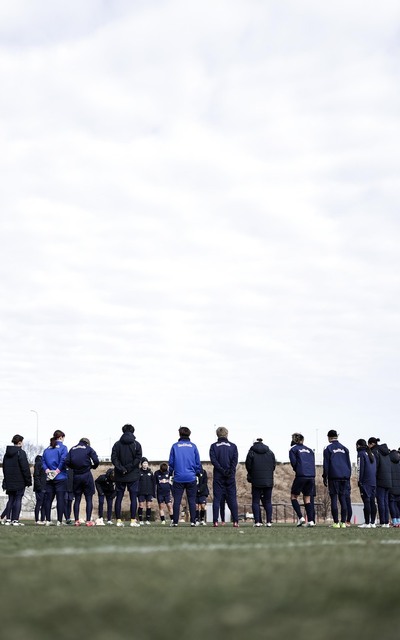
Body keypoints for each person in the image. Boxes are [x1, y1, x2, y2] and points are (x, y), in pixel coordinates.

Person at [168, 426, 201, 527]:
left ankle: (175, 522)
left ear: (179, 434)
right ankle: (193, 521)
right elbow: (197, 462)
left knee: (177, 500)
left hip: (178, 477)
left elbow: (171, 462)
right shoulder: (193, 446)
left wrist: (170, 473)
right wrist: (197, 473)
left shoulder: (175, 446)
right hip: (191, 477)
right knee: (192, 500)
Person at [111, 424, 142, 527]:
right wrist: (128, 468)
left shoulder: (116, 444)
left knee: (119, 498)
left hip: (120, 475)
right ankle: (133, 520)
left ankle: (118, 521)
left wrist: (122, 468)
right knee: (133, 498)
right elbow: (138, 459)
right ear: (133, 431)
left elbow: (114, 458)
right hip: (133, 475)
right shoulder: (137, 444)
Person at [209, 426, 239, 528]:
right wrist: (230, 471)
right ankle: (235, 521)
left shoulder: (213, 446)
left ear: (217, 434)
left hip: (218, 475)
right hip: (230, 476)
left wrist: (221, 470)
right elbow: (235, 461)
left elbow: (213, 461)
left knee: (217, 498)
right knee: (232, 498)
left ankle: (215, 521)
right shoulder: (233, 446)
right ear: (227, 434)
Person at [66, 437, 99, 526]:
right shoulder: (88, 448)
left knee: (77, 499)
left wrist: (74, 467)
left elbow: (67, 461)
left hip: (76, 476)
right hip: (86, 475)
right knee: (89, 498)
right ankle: (88, 521)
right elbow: (96, 460)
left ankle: (76, 520)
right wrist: (93, 466)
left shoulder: (72, 449)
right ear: (87, 443)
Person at [323, 429, 352, 529]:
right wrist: (348, 476)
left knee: (334, 498)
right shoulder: (345, 449)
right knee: (343, 498)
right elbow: (349, 464)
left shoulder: (328, 448)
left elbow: (326, 464)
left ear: (329, 437)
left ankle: (336, 522)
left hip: (334, 476)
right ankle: (343, 522)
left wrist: (325, 476)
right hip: (345, 477)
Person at [2, 434, 32, 526]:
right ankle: (15, 520)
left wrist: (6, 480)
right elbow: (25, 468)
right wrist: (28, 480)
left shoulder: (6, 454)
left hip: (9, 481)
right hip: (20, 481)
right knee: (18, 499)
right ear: (20, 442)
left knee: (10, 499)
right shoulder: (21, 453)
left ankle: (8, 519)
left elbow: (4, 468)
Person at [245, 437, 276, 527]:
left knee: (255, 501)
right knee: (268, 501)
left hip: (256, 480)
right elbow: (273, 466)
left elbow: (248, 465)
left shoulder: (251, 452)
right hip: (268, 480)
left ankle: (257, 522)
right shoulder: (270, 452)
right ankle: (269, 522)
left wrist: (251, 474)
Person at [289, 433, 316, 527]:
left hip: (301, 475)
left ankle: (301, 517)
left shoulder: (293, 449)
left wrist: (298, 470)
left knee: (293, 496)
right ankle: (311, 520)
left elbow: (293, 463)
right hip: (311, 476)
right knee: (307, 498)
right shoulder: (310, 450)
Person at [42, 430, 68, 525]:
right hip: (60, 477)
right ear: (61, 437)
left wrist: (47, 470)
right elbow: (63, 460)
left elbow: (43, 461)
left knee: (48, 499)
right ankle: (59, 521)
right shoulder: (63, 448)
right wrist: (57, 471)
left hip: (49, 477)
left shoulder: (47, 449)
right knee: (60, 499)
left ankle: (48, 520)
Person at [368, 437, 392, 527]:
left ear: (371, 444)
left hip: (380, 480)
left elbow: (375, 466)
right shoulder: (386, 453)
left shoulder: (375, 452)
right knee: (385, 501)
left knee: (380, 501)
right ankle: (386, 522)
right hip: (388, 480)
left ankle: (382, 522)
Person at [356, 439, 377, 528]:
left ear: (358, 445)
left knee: (366, 502)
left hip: (365, 481)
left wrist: (359, 481)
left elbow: (360, 468)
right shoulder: (371, 453)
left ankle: (367, 523)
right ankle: (373, 522)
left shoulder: (361, 454)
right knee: (372, 502)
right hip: (373, 481)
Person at [137, 458, 155, 525]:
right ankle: (140, 520)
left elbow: (153, 483)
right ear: (141, 464)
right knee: (141, 505)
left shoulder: (150, 472)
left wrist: (153, 492)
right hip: (141, 492)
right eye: (144, 463)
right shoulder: (138, 472)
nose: (145, 464)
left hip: (149, 492)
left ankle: (147, 520)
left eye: (146, 463)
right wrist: (137, 491)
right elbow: (137, 482)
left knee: (148, 505)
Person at [33, 454, 47, 525]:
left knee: (41, 503)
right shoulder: (40, 464)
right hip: (41, 487)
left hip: (41, 487)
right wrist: (39, 486)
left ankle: (41, 519)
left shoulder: (38, 464)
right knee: (40, 503)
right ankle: (38, 519)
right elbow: (36, 476)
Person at [389, 448, 400, 527]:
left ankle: (394, 520)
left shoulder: (389, 464)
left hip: (391, 487)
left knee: (392, 504)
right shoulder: (399, 463)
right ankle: (399, 520)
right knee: (398, 505)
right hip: (399, 488)